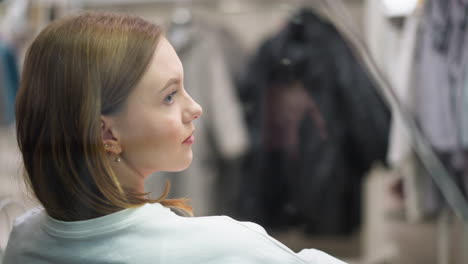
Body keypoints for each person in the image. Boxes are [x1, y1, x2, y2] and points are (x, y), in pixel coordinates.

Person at [3, 12, 347, 264]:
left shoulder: (23, 241)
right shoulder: (223, 247)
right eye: (170, 96)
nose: (195, 108)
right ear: (106, 132)